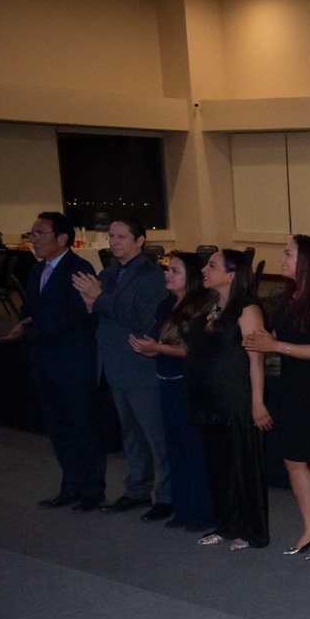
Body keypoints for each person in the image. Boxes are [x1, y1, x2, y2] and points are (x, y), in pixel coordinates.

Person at [242, 235, 310, 559]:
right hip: (291, 387)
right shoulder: (287, 296)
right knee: (292, 459)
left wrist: (275, 347)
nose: (282, 257)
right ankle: (309, 525)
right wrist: (263, 338)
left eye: (288, 253)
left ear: (307, 260)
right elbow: (279, 336)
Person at [0, 212, 104, 511]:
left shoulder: (79, 268)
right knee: (59, 428)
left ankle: (93, 489)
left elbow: (79, 314)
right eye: (32, 233)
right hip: (45, 361)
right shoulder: (36, 270)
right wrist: (24, 322)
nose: (34, 239)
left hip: (73, 362)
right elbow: (30, 307)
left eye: (40, 233)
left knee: (84, 426)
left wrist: (31, 329)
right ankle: (71, 484)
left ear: (62, 239)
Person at [71, 217, 173, 518]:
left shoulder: (152, 276)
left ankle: (167, 496)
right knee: (131, 434)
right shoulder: (108, 272)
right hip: (114, 365)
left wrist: (99, 298)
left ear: (139, 240)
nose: (114, 242)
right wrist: (90, 305)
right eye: (111, 236)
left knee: (156, 436)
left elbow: (142, 320)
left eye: (121, 236)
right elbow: (97, 317)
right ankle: (137, 490)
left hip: (139, 365)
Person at [186, 250, 270, 550]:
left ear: (232, 274)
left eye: (212, 266)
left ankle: (252, 530)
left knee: (243, 464)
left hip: (237, 397)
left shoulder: (247, 309)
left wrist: (257, 402)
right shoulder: (209, 306)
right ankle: (226, 523)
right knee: (218, 465)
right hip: (209, 398)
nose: (205, 270)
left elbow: (256, 359)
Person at [128, 253, 216, 532]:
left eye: (174, 271)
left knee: (193, 450)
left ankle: (202, 512)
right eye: (167, 270)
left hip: (186, 383)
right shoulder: (167, 304)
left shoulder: (200, 307)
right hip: (165, 381)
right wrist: (149, 346)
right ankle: (183, 507)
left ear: (189, 278)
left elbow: (193, 351)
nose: (167, 275)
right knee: (174, 447)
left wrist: (157, 348)